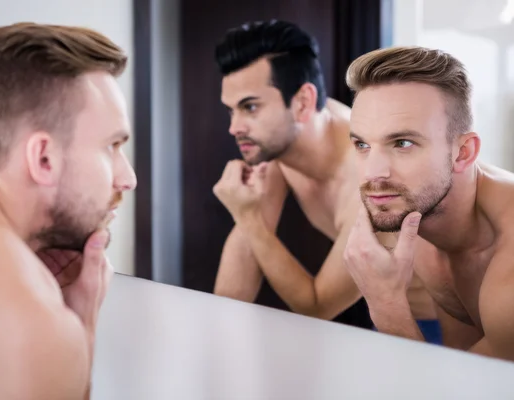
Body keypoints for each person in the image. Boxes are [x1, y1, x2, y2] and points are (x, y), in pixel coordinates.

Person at [0, 22, 136, 399]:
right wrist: (79, 331)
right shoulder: (31, 320)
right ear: (43, 157)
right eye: (111, 146)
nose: (127, 178)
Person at [211, 19, 439, 338]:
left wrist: (246, 216)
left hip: (451, 325)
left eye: (250, 107)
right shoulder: (285, 139)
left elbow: (317, 306)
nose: (234, 127)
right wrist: (212, 337)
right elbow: (247, 244)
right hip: (389, 317)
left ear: (303, 102)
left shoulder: (371, 179)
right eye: (231, 110)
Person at [343, 45, 514, 360]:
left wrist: (386, 304)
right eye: (362, 144)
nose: (373, 172)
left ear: (463, 152)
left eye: (403, 143)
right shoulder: (423, 216)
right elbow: (460, 365)